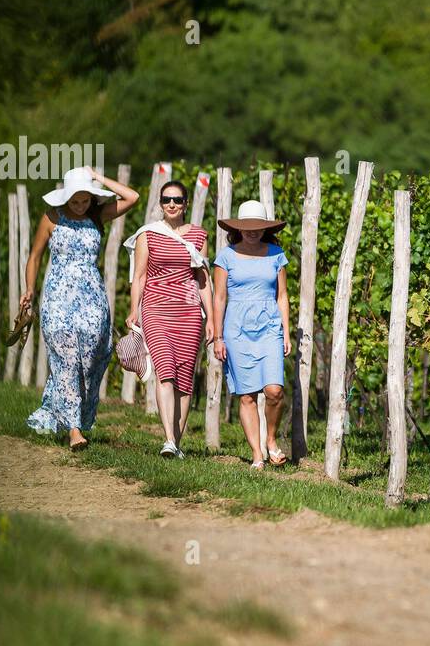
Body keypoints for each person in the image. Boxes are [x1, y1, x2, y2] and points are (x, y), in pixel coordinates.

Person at [22, 166, 140, 450]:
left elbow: (132, 197)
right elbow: (35, 257)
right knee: (66, 358)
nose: (79, 205)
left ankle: (63, 412)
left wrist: (99, 178)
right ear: (65, 197)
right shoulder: (52, 217)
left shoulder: (97, 216)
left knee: (89, 359)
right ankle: (74, 430)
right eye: (75, 200)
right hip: (57, 297)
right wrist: (29, 289)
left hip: (91, 298)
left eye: (85, 199)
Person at [126, 180, 214, 458]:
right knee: (165, 370)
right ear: (160, 204)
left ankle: (176, 443)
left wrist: (210, 318)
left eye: (177, 199)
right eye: (166, 200)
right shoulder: (148, 234)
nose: (172, 204)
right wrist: (133, 309)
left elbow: (203, 280)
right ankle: (168, 439)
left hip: (189, 313)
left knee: (185, 378)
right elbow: (139, 276)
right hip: (155, 309)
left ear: (186, 203)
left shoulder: (200, 236)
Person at [212, 200, 292, 469]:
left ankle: (271, 440)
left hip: (269, 326)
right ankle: (257, 455)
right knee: (247, 395)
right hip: (236, 329)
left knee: (274, 391)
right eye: (247, 227)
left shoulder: (275, 254)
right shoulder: (226, 256)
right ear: (238, 228)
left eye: (257, 227)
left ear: (265, 229)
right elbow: (219, 297)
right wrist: (218, 336)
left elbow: (282, 296)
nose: (252, 231)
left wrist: (287, 332)